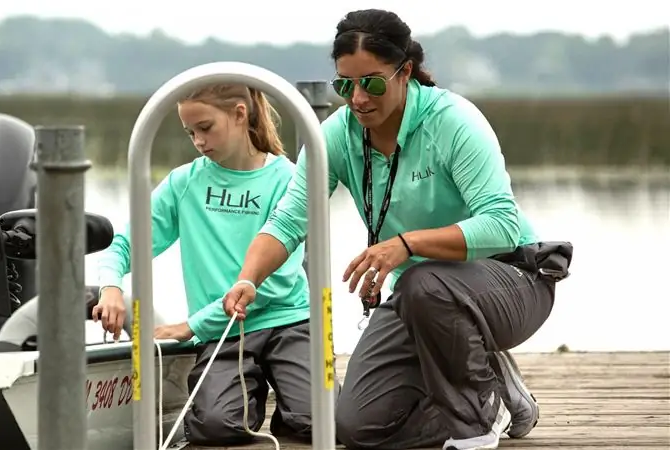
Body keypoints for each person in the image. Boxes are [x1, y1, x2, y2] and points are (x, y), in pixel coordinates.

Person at [222, 8, 573, 450]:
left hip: (513, 282)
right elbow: (289, 220)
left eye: (370, 83)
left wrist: (407, 244)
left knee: (427, 282)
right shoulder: (336, 135)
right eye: (344, 85)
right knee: (355, 428)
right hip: (419, 297)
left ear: (404, 71)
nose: (358, 99)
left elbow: (502, 225)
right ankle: (498, 396)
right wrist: (248, 278)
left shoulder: (453, 121)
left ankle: (474, 425)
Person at [93, 83, 327, 446]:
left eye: (205, 128)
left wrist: (190, 325)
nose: (198, 141)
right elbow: (123, 244)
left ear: (239, 113)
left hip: (287, 323)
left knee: (322, 421)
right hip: (224, 333)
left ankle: (293, 408)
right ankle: (243, 401)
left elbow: (273, 286)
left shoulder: (286, 179)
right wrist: (110, 286)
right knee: (216, 426)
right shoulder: (185, 183)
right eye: (190, 133)